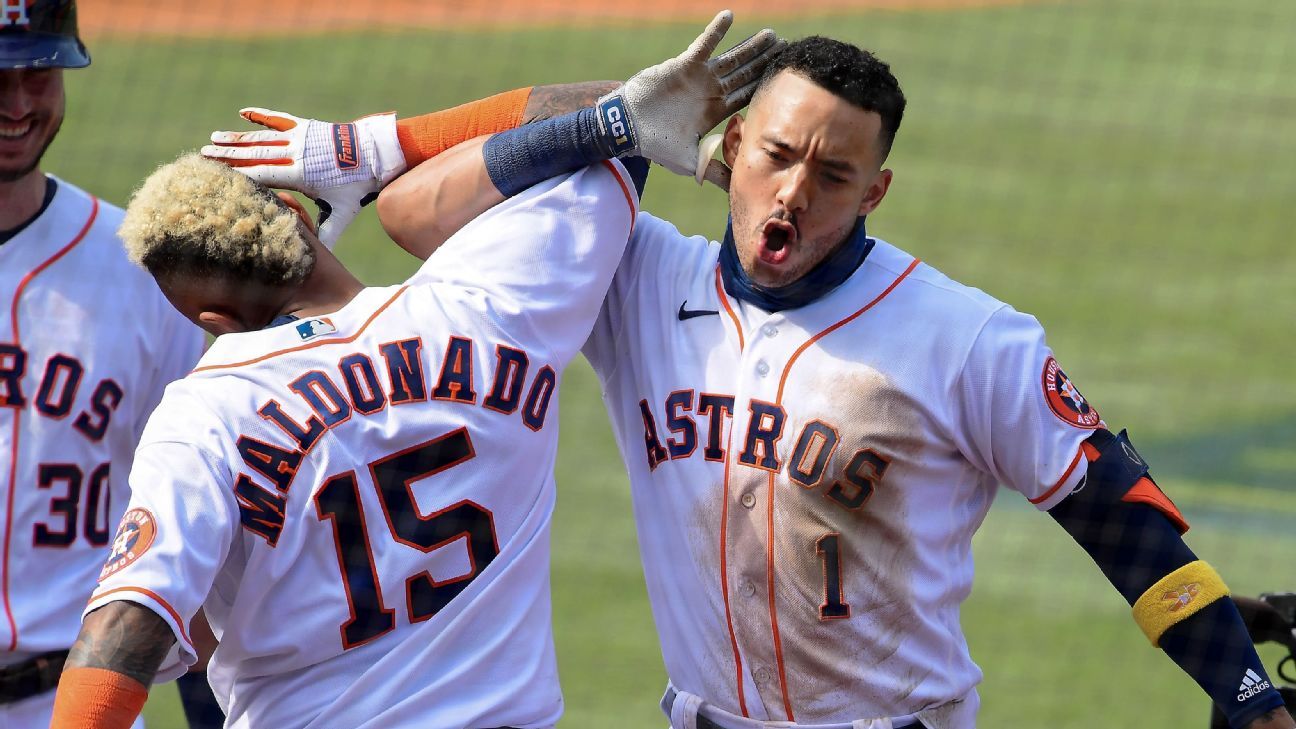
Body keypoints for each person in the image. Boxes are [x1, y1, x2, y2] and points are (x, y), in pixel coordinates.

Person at [270, 35, 1296, 729]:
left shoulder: (969, 339)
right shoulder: (635, 275)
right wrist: (613, 121)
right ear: (728, 153)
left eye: (834, 176)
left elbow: (1121, 522)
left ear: (876, 191)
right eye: (778, 154)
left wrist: (1252, 699)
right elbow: (411, 214)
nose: (796, 193)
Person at [47, 13, 781, 728]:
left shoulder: (205, 413)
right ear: (303, 222)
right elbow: (626, 118)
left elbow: (120, 637)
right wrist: (370, 147)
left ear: (212, 321)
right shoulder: (485, 304)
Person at [0, 2, 212, 726]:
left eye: (39, 72)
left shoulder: (139, 272)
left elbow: (204, 519)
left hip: (75, 705)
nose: (20, 102)